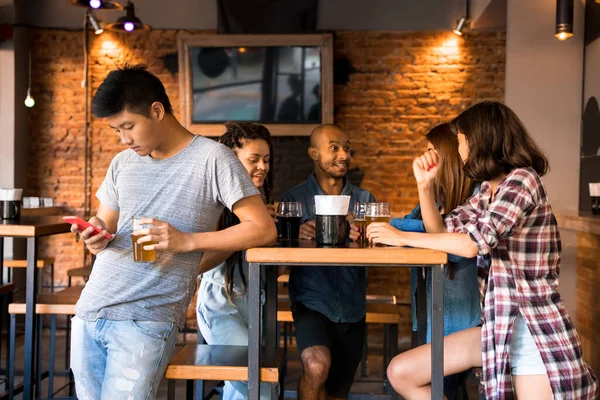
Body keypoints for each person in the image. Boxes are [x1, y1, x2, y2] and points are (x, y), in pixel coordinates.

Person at [68, 65, 277, 400]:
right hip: (90, 311)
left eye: (129, 127)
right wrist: (96, 233)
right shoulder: (123, 163)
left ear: (156, 110)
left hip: (147, 321)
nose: (124, 139)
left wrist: (187, 241)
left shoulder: (214, 159)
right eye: (116, 130)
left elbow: (263, 229)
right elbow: (104, 221)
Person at [367, 101, 598, 399]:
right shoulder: (489, 191)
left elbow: (471, 243)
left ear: (480, 142)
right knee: (402, 372)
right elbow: (442, 232)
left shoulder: (523, 181)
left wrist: (402, 237)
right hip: (497, 327)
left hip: (532, 331)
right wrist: (424, 186)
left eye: (461, 142)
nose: (459, 152)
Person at [282, 124, 375, 399]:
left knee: (336, 393)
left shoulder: (364, 201)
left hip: (353, 307)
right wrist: (294, 236)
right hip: (311, 304)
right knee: (315, 366)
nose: (343, 154)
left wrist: (364, 237)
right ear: (314, 153)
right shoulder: (294, 200)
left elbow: (378, 250)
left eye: (346, 148)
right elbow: (279, 254)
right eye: (334, 148)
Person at [391, 123, 480, 399]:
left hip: (465, 318)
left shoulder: (476, 196)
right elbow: (412, 226)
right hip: (435, 313)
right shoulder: (437, 197)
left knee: (439, 384)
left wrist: (402, 232)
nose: (425, 156)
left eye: (431, 150)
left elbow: (444, 241)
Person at [196, 121, 277, 400]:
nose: (262, 167)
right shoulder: (212, 201)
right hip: (220, 304)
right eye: (253, 159)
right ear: (229, 161)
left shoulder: (261, 203)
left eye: (266, 160)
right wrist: (248, 231)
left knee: (242, 385)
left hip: (257, 301)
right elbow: (199, 264)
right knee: (258, 383)